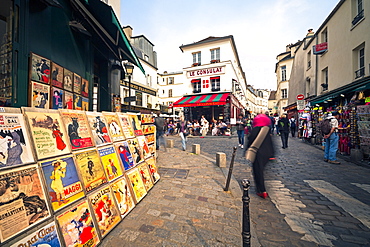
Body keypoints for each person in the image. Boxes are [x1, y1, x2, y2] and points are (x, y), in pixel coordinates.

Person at [245, 114, 274, 199]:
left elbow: (250, 141)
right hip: (267, 154)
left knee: (258, 171)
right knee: (261, 170)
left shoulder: (255, 130)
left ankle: (261, 190)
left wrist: (246, 151)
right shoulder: (267, 130)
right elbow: (271, 143)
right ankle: (262, 189)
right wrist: (272, 154)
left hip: (257, 153)